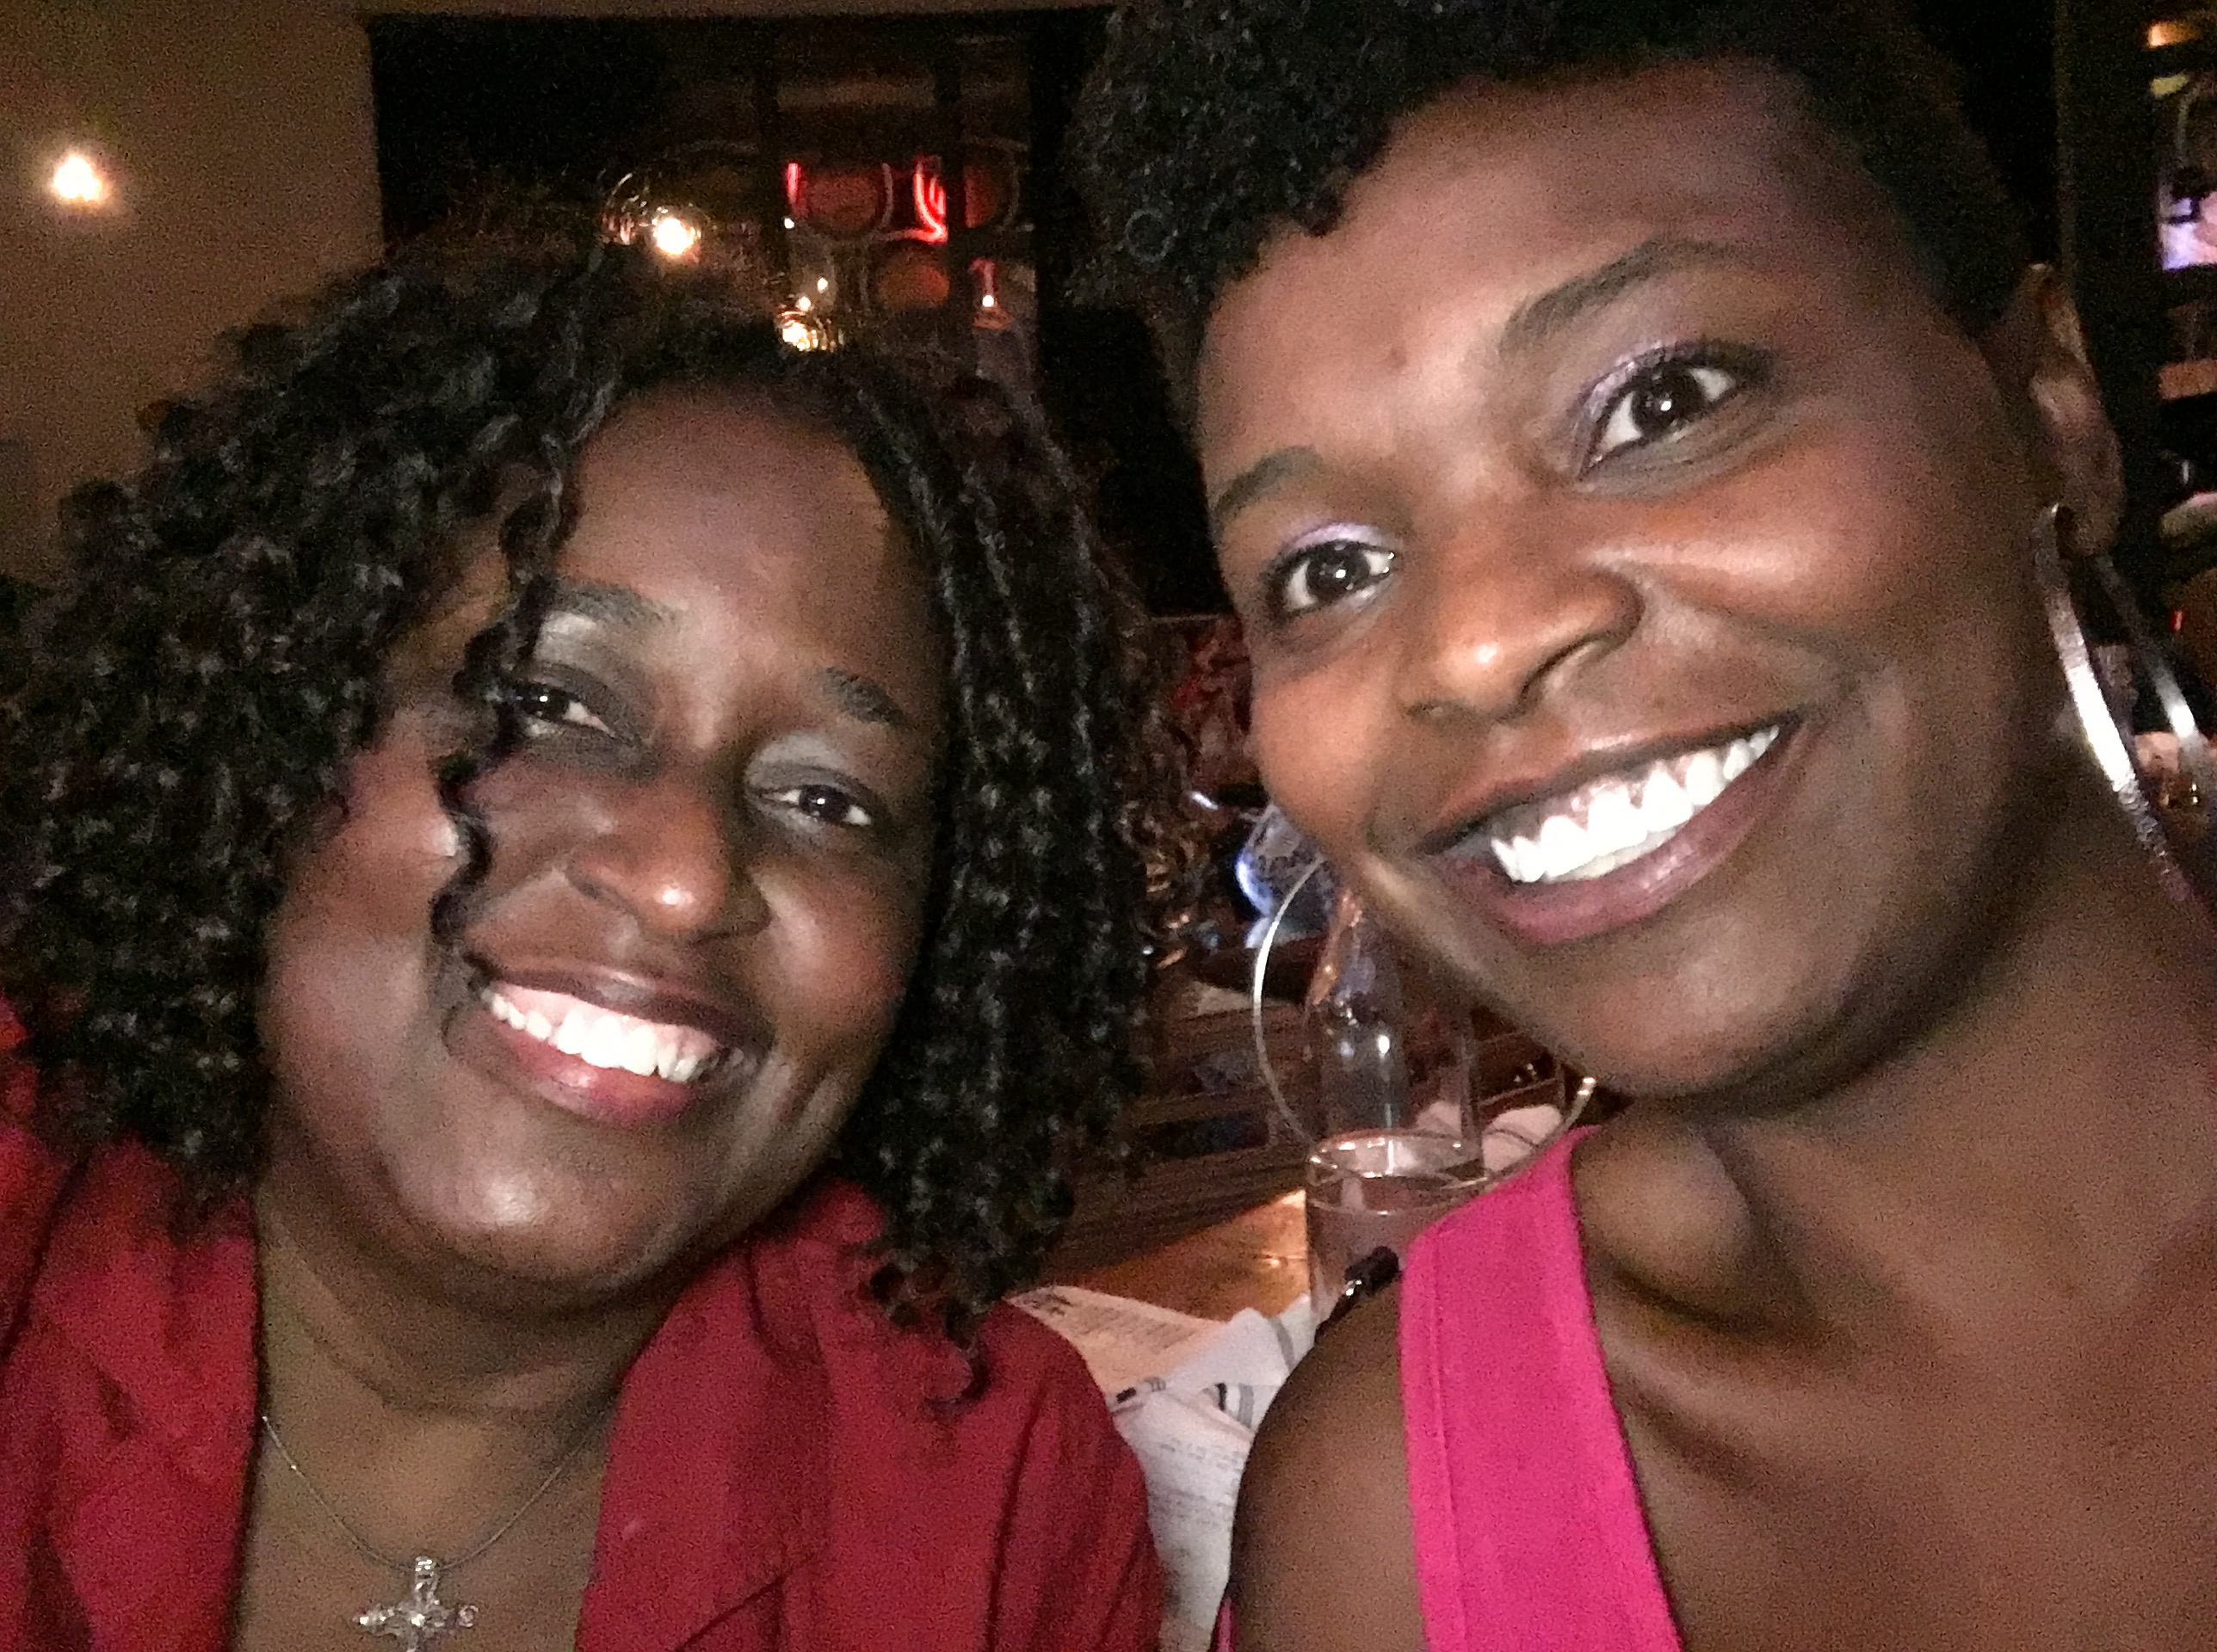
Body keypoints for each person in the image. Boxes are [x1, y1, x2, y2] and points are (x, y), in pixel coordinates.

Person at [1074, 2, 2217, 1647]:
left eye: (1661, 402)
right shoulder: (1399, 1521)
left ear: (2050, 404)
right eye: (1328, 569)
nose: (1476, 644)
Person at [0, 236, 1163, 1650]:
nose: (683, 878)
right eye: (545, 704)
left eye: (829, 799)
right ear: (267, 726)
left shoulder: (997, 1506)